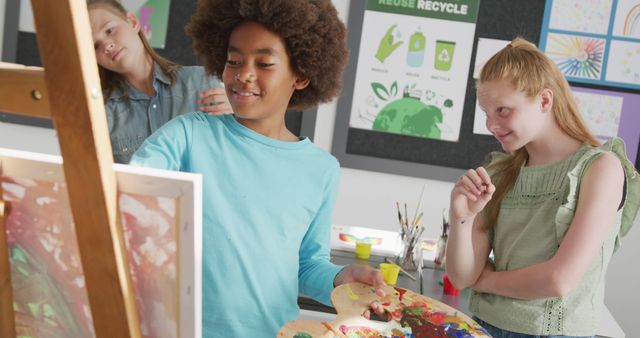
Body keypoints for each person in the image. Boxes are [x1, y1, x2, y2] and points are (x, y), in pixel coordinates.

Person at [129, 0, 386, 336]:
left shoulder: (321, 169)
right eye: (233, 61)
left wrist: (341, 278)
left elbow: (307, 266)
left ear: (302, 75)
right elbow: (127, 190)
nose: (243, 74)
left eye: (264, 63)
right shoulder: (189, 135)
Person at [446, 37, 639, 337]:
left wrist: (485, 283)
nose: (491, 125)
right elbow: (461, 277)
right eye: (487, 113)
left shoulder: (601, 169)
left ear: (545, 101)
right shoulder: (500, 171)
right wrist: (462, 217)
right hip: (483, 326)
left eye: (503, 110)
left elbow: (559, 279)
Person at [87, 0, 231, 163]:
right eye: (95, 46)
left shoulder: (201, 83)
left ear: (133, 22)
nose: (106, 45)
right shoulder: (102, 115)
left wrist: (243, 113)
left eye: (109, 30)